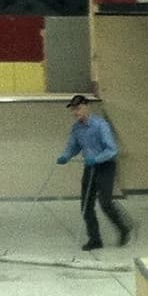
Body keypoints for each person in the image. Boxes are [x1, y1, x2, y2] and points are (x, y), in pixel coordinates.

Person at [55, 93, 133, 251]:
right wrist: (66, 156)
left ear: (87, 107)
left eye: (78, 108)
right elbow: (74, 146)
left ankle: (123, 228)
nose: (76, 112)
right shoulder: (77, 128)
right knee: (86, 206)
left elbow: (112, 149)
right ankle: (95, 239)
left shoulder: (101, 125)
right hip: (90, 168)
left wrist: (97, 159)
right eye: (73, 109)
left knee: (105, 202)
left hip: (105, 166)